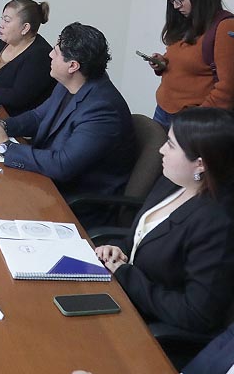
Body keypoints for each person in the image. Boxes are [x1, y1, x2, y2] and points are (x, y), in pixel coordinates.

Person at [95, 107, 234, 337]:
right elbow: (141, 238)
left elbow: (196, 314)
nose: (161, 150)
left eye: (170, 145)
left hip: (142, 323)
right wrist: (117, 249)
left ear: (200, 164)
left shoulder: (217, 224)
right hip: (118, 293)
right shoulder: (174, 181)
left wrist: (125, 274)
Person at [0, 23, 136, 223]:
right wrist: (3, 126)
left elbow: (63, 165)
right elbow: (37, 116)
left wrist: (5, 146)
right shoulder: (71, 83)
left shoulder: (103, 109)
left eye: (56, 51)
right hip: (46, 183)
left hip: (73, 204)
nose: (50, 55)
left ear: (73, 66)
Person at [146, 0, 234, 130]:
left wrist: (195, 122)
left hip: (191, 120)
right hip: (163, 110)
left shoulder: (225, 27)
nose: (176, 6)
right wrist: (163, 63)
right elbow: (187, 61)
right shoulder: (186, 20)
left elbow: (227, 89)